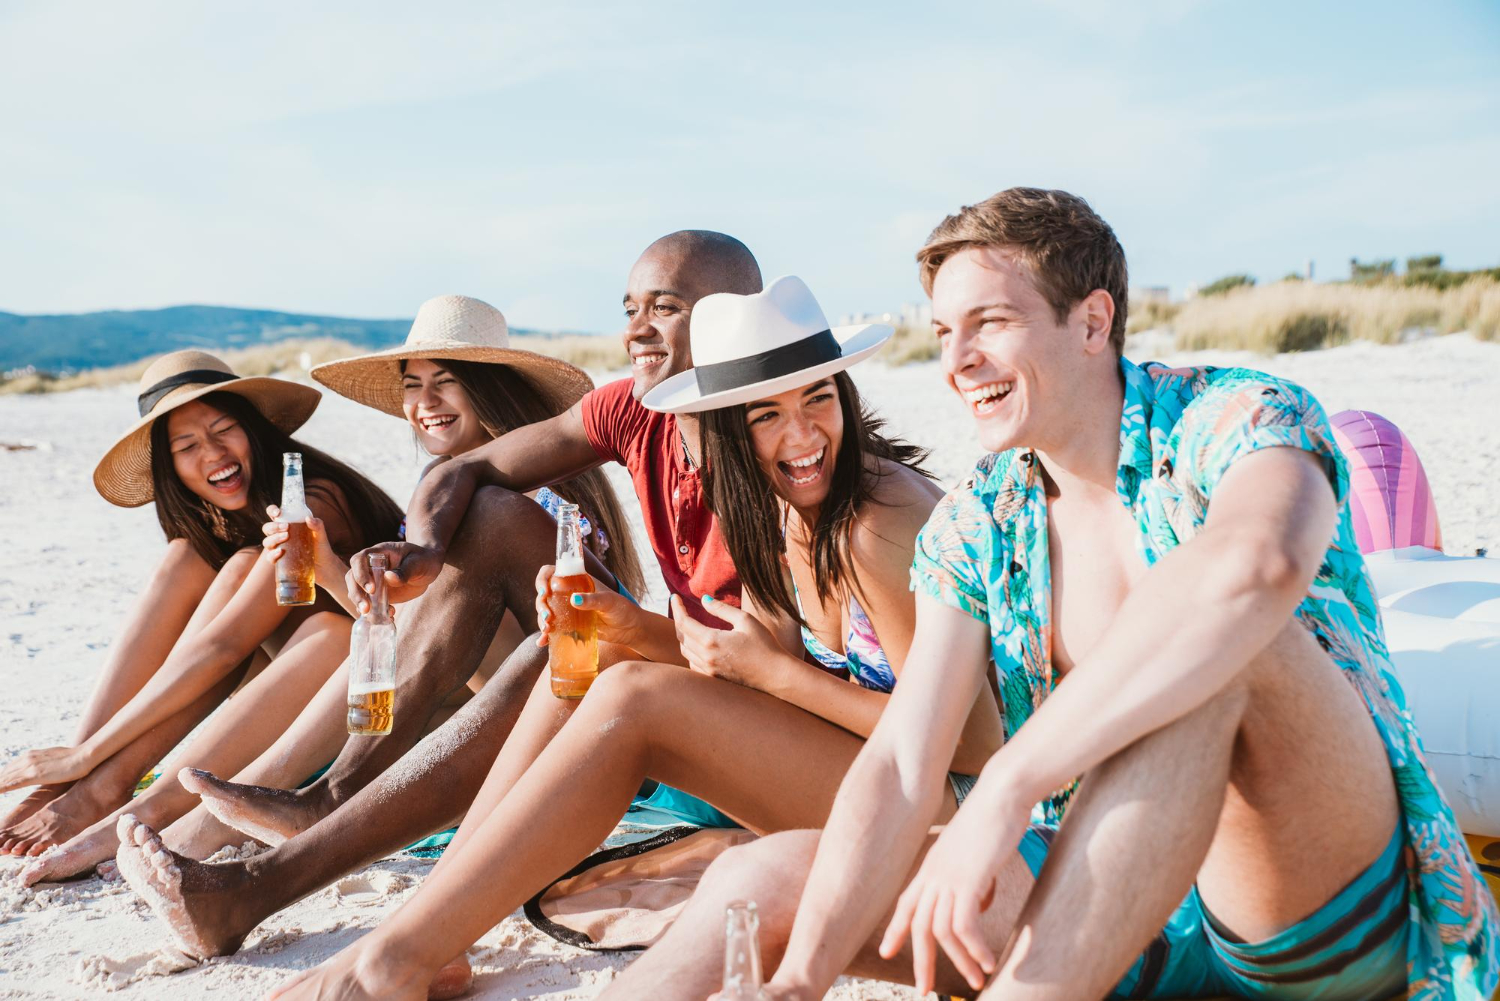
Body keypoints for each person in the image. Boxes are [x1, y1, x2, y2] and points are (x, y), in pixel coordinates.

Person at [613, 189, 1500, 1001]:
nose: (956, 360)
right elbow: (902, 762)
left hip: (1312, 907)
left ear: (1091, 321)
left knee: (1215, 654)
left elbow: (1255, 568)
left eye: (988, 322)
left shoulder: (1239, 418)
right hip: (1115, 908)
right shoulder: (979, 519)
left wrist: (1008, 785)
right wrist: (802, 976)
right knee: (758, 882)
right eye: (943, 330)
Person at [146, 273, 1004, 1000]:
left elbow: (966, 742)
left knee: (630, 695)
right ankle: (424, 934)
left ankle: (398, 954)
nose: (802, 433)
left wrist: (773, 679)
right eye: (766, 414)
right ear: (730, 427)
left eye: (819, 397)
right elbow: (752, 660)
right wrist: (636, 628)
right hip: (868, 772)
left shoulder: (874, 521)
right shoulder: (774, 511)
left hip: (946, 805)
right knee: (595, 665)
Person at [98, 230, 768, 965]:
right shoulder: (631, 413)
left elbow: (754, 664)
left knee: (556, 645)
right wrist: (421, 549)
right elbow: (462, 474)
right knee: (512, 570)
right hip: (619, 672)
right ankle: (304, 820)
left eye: (663, 308)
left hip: (722, 709)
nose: (634, 329)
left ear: (729, 316)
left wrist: (624, 625)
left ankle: (317, 862)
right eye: (630, 307)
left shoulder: (774, 445)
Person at [21, 295, 642, 883]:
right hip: (450, 683)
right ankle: (114, 791)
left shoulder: (520, 497)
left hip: (528, 695)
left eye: (444, 381)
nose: (424, 402)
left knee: (330, 635)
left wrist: (326, 565)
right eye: (410, 386)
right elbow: (422, 629)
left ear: (489, 389)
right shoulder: (448, 486)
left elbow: (430, 634)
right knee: (262, 587)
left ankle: (170, 813)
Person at [0, 351, 402, 862]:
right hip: (304, 680)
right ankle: (79, 783)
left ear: (254, 431)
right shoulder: (232, 525)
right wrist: (85, 755)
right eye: (187, 445)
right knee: (192, 556)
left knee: (316, 622)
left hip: (378, 691)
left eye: (223, 430)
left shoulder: (314, 498)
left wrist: (90, 753)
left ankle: (95, 777)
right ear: (169, 467)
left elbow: (223, 647)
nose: (212, 453)